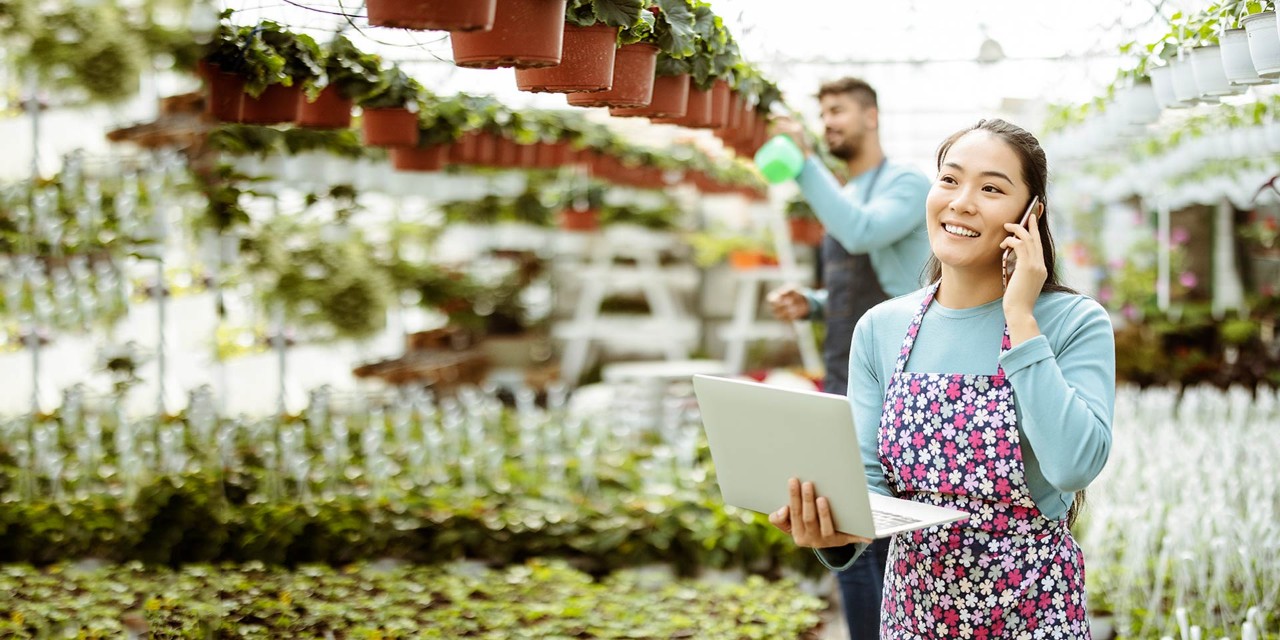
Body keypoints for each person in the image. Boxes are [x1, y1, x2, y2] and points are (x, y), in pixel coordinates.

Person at [767, 118, 1115, 637]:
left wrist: (1021, 317)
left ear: (1030, 212)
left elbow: (1072, 467)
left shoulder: (1073, 322)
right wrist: (831, 531)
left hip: (1033, 613)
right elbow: (868, 484)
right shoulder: (883, 328)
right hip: (914, 614)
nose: (962, 201)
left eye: (992, 188)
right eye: (949, 180)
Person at [765, 77, 931, 638]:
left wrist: (805, 163)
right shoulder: (844, 192)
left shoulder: (906, 184)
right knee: (842, 529)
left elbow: (862, 236)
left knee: (882, 531)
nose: (828, 122)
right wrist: (812, 304)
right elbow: (854, 287)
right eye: (823, 113)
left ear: (871, 116)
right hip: (842, 371)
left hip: (894, 379)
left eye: (838, 111)